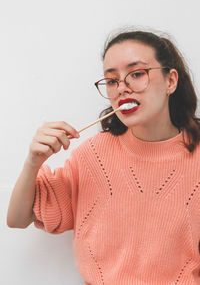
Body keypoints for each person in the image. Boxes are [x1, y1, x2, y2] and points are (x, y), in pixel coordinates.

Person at [7, 29, 200, 284]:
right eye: (112, 80)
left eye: (137, 74)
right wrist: (33, 162)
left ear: (170, 81)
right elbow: (17, 219)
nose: (122, 88)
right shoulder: (94, 155)